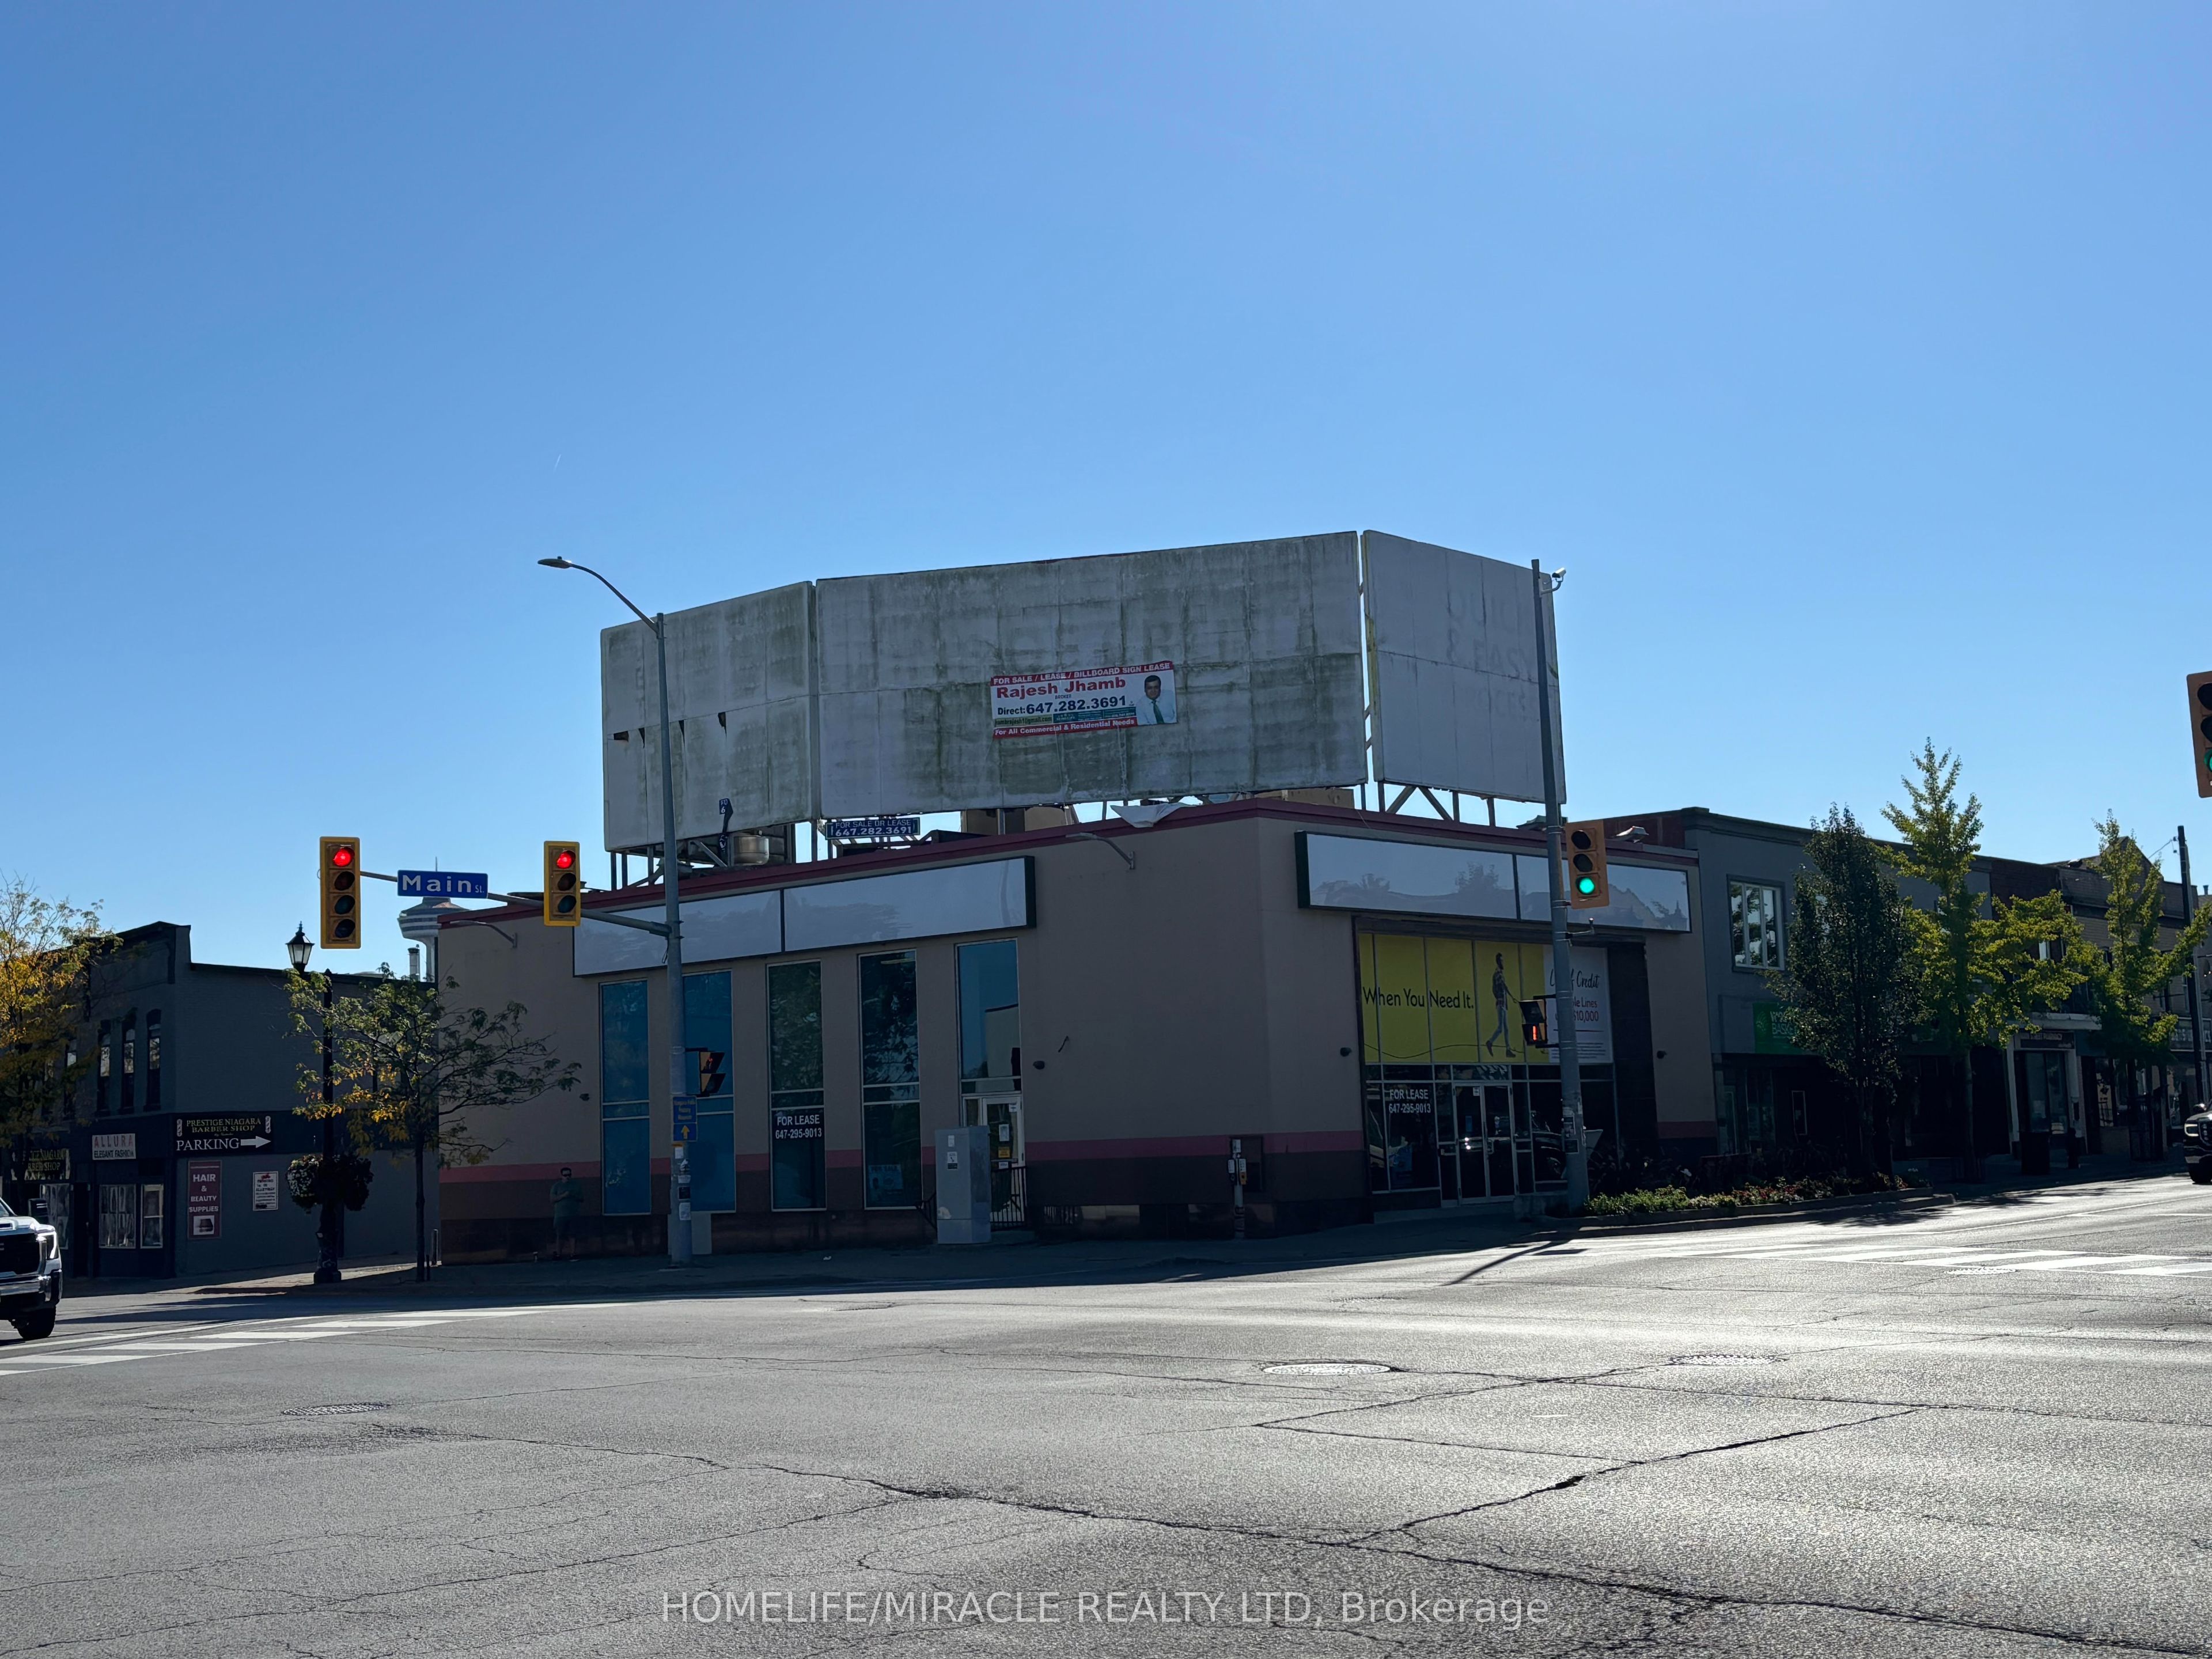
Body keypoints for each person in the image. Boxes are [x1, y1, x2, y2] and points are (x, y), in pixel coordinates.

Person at [549, 1165, 584, 1259]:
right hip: (560, 1215)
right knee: (560, 1235)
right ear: (562, 1176)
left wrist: (573, 1195)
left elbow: (582, 1198)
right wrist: (563, 1196)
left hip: (573, 1214)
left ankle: (573, 1253)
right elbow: (552, 1200)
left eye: (569, 1175)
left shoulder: (576, 1185)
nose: (567, 1177)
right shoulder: (557, 1186)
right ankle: (559, 1254)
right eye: (565, 1175)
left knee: (573, 1234)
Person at [1484, 953, 1516, 1057]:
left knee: (1506, 1028)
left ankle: (1508, 1050)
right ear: (1498, 962)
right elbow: (1501, 987)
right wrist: (1505, 997)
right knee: (1501, 1028)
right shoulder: (1498, 974)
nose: (1503, 963)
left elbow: (1503, 987)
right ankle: (1490, 1042)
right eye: (1501, 961)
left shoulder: (1499, 973)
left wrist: (1511, 997)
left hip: (1503, 1004)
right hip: (1501, 1004)